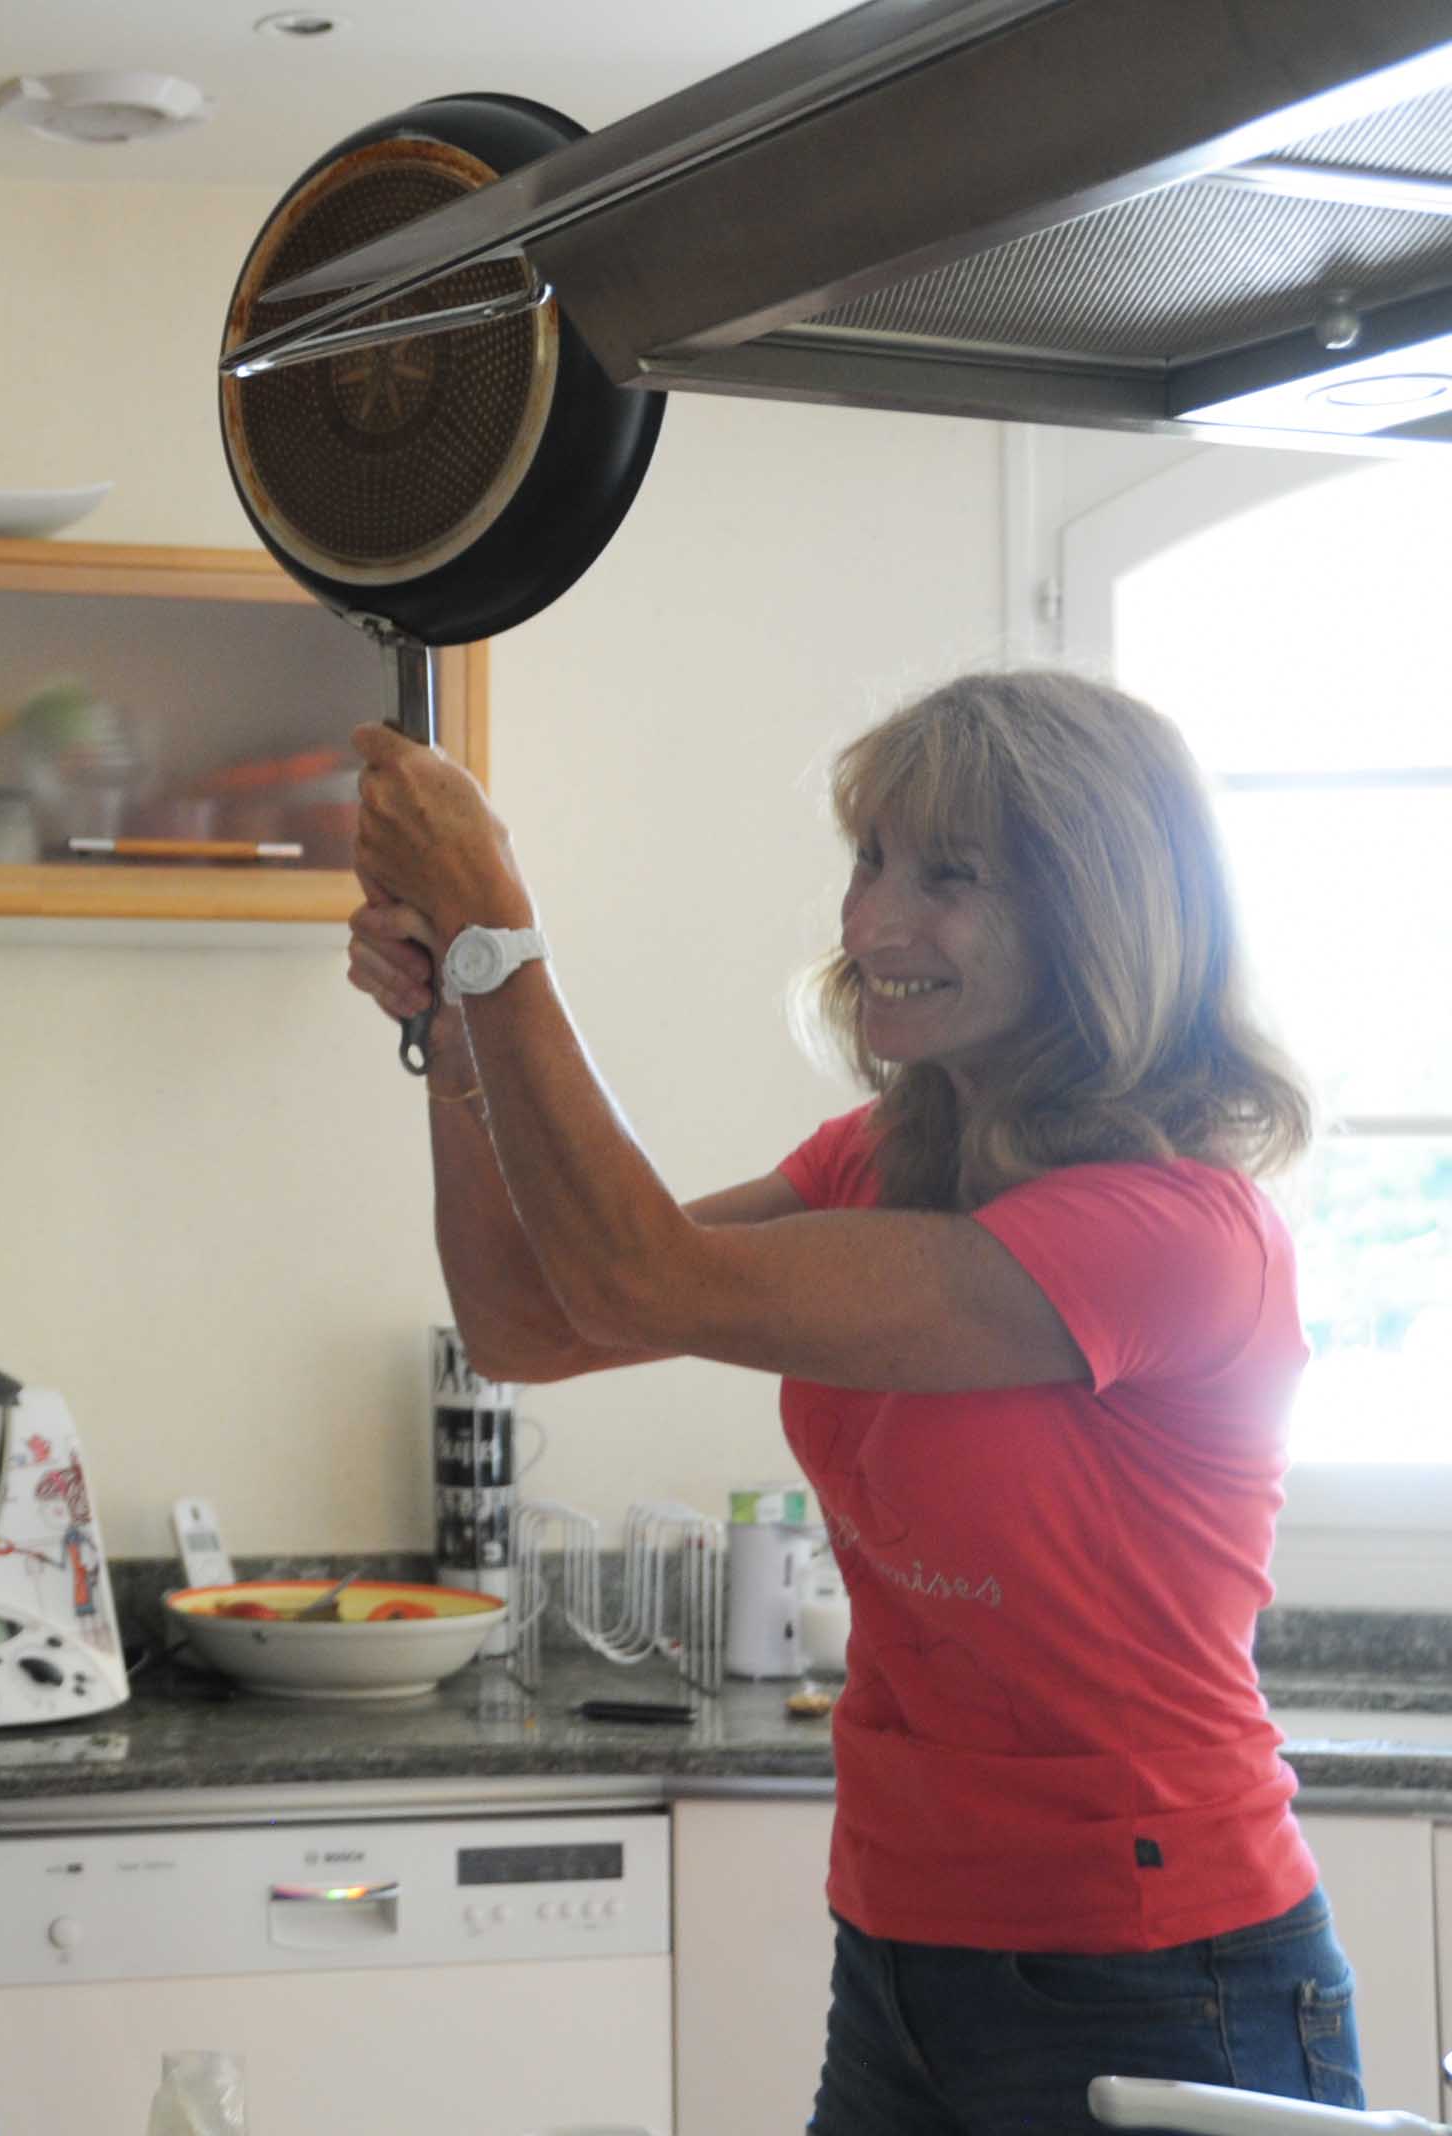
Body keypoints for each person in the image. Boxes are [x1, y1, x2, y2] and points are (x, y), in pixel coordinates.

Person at [346, 669, 1362, 2130]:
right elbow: (531, 1322)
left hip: (1165, 1968)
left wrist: (501, 928)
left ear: (1096, 916)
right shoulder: (875, 1157)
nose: (876, 919)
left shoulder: (1174, 1234)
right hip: (902, 1951)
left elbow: (648, 1280)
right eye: (872, 860)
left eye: (949, 877)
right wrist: (457, 1049)